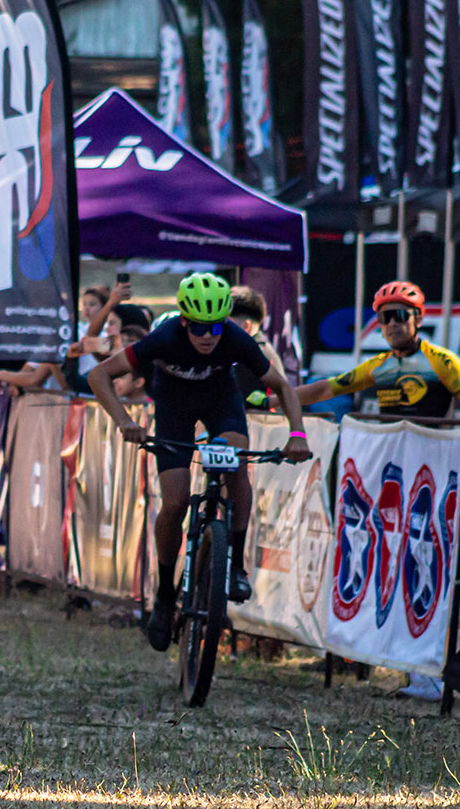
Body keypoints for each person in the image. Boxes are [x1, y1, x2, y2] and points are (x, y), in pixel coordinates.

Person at [85, 272, 312, 651]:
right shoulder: (165, 338)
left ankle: (235, 564)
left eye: (216, 328)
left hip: (221, 403)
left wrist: (298, 434)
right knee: (174, 503)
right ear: (185, 322)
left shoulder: (234, 338)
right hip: (173, 405)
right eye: (200, 328)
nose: (208, 336)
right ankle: (165, 591)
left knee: (236, 463)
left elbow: (284, 386)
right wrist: (125, 422)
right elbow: (98, 374)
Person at [296, 281, 460, 442]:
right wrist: (275, 398)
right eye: (384, 318)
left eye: (400, 316)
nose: (392, 324)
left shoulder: (442, 360)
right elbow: (326, 389)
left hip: (431, 457)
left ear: (418, 319)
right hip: (391, 454)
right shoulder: (378, 365)